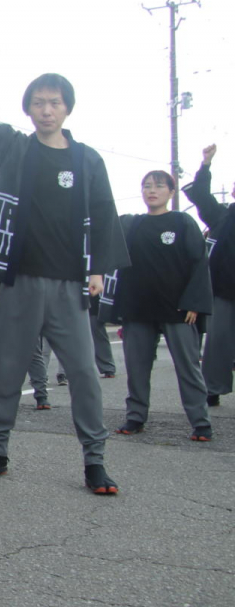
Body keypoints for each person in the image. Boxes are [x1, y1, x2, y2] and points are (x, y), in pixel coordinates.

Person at [0, 45, 128, 495]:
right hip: (19, 281)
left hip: (69, 285)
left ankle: (95, 461)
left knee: (83, 373)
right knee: (7, 371)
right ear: (28, 109)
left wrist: (98, 270)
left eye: (54, 102)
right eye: (39, 102)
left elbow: (104, 213)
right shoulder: (15, 148)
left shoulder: (87, 159)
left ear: (67, 109)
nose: (47, 110)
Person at [104, 171, 213, 440]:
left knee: (188, 368)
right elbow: (103, 233)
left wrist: (194, 303)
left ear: (171, 192)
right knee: (137, 368)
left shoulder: (182, 222)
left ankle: (200, 422)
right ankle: (135, 417)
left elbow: (199, 263)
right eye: (147, 186)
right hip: (137, 308)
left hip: (178, 309)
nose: (151, 191)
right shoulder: (131, 224)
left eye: (159, 186)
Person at [182, 144, 235, 408]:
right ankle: (212, 388)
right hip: (224, 289)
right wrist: (206, 164)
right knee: (218, 341)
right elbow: (201, 195)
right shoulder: (222, 215)